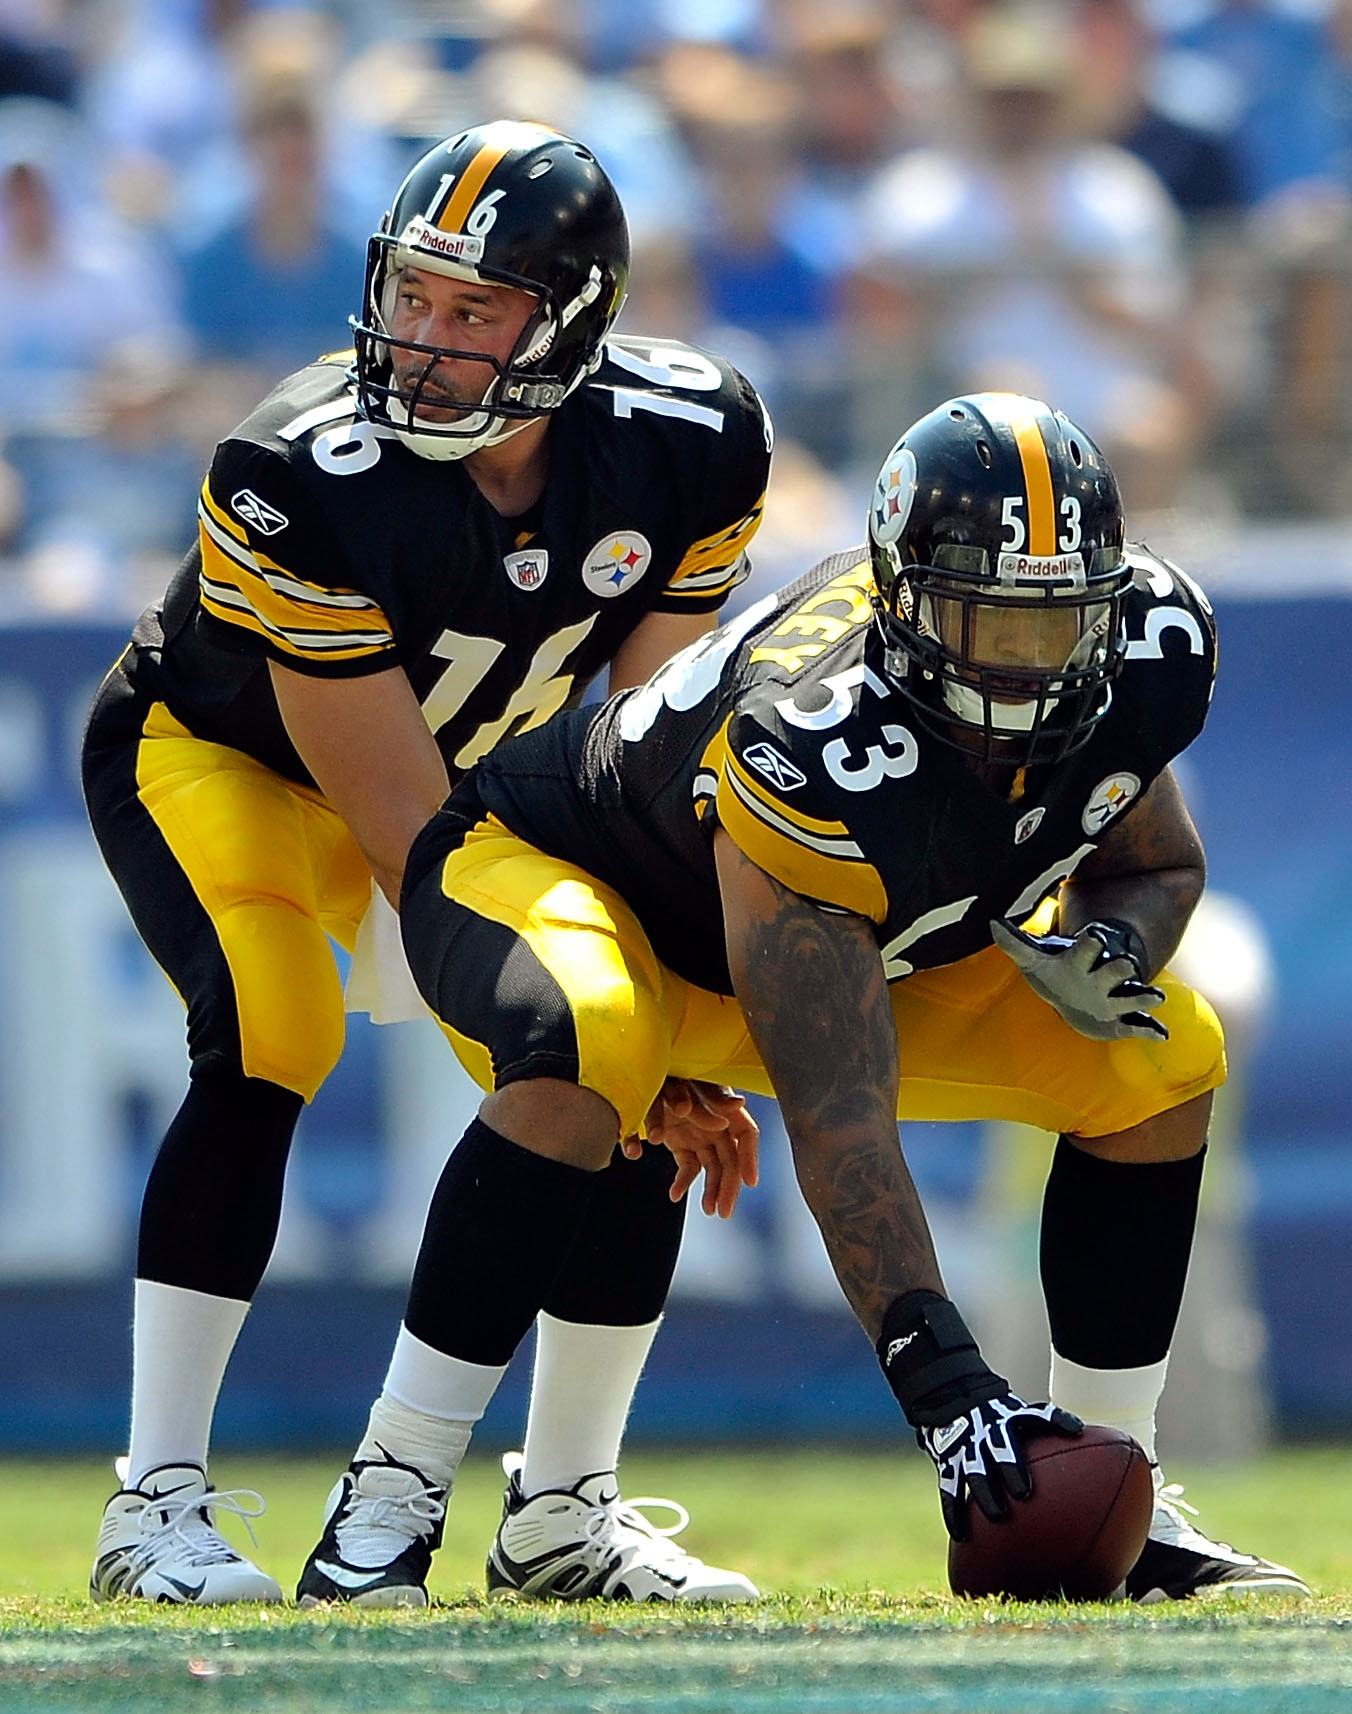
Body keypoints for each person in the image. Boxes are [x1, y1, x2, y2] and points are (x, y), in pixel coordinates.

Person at [302, 390, 1311, 1605]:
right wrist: (949, 1392)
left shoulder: (1148, 648)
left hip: (832, 940)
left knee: (1157, 1062)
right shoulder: (815, 740)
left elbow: (1154, 861)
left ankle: (1120, 1491)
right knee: (598, 1037)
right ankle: (388, 1494)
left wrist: (1110, 948)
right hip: (551, 868)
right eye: (981, 619)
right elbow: (839, 1121)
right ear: (900, 601)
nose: (1020, 662)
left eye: (1051, 625)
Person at [82, 119, 770, 1606]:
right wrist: (591, 1042)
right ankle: (154, 1504)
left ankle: (564, 1510)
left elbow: (642, 758)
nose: (426, 342)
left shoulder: (692, 438)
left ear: (572, 320)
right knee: (278, 1023)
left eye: (475, 312)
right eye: (410, 298)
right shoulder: (295, 468)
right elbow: (400, 828)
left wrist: (640, 1020)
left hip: (462, 790)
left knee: (635, 1008)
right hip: (233, 764)